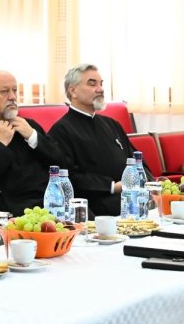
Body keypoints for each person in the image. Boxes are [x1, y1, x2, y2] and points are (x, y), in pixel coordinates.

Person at [0, 70, 66, 215]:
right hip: (7, 209)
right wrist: (0, 145)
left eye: (15, 90)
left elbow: (61, 164)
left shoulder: (30, 125)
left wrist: (33, 137)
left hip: (48, 205)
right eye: (4, 92)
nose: (13, 97)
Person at [47, 64, 146, 216]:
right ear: (73, 91)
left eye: (101, 84)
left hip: (130, 197)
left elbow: (135, 159)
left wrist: (148, 181)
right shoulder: (61, 130)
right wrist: (112, 186)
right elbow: (68, 177)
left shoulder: (112, 124)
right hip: (95, 205)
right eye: (92, 84)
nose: (100, 89)